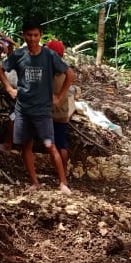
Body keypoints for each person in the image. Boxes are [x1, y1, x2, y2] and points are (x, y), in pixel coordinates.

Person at [0, 20, 74, 194]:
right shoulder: (19, 54)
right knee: (26, 146)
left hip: (42, 111)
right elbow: (0, 70)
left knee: (50, 145)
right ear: (23, 35)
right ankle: (34, 182)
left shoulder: (49, 55)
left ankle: (63, 183)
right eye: (29, 35)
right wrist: (9, 88)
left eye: (36, 35)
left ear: (40, 36)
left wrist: (59, 96)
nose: (32, 39)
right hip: (23, 110)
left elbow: (70, 74)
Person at [46, 39, 76, 173]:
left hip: (50, 114)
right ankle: (63, 170)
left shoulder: (49, 71)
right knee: (61, 144)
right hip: (63, 113)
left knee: (52, 144)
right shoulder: (65, 71)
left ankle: (59, 170)